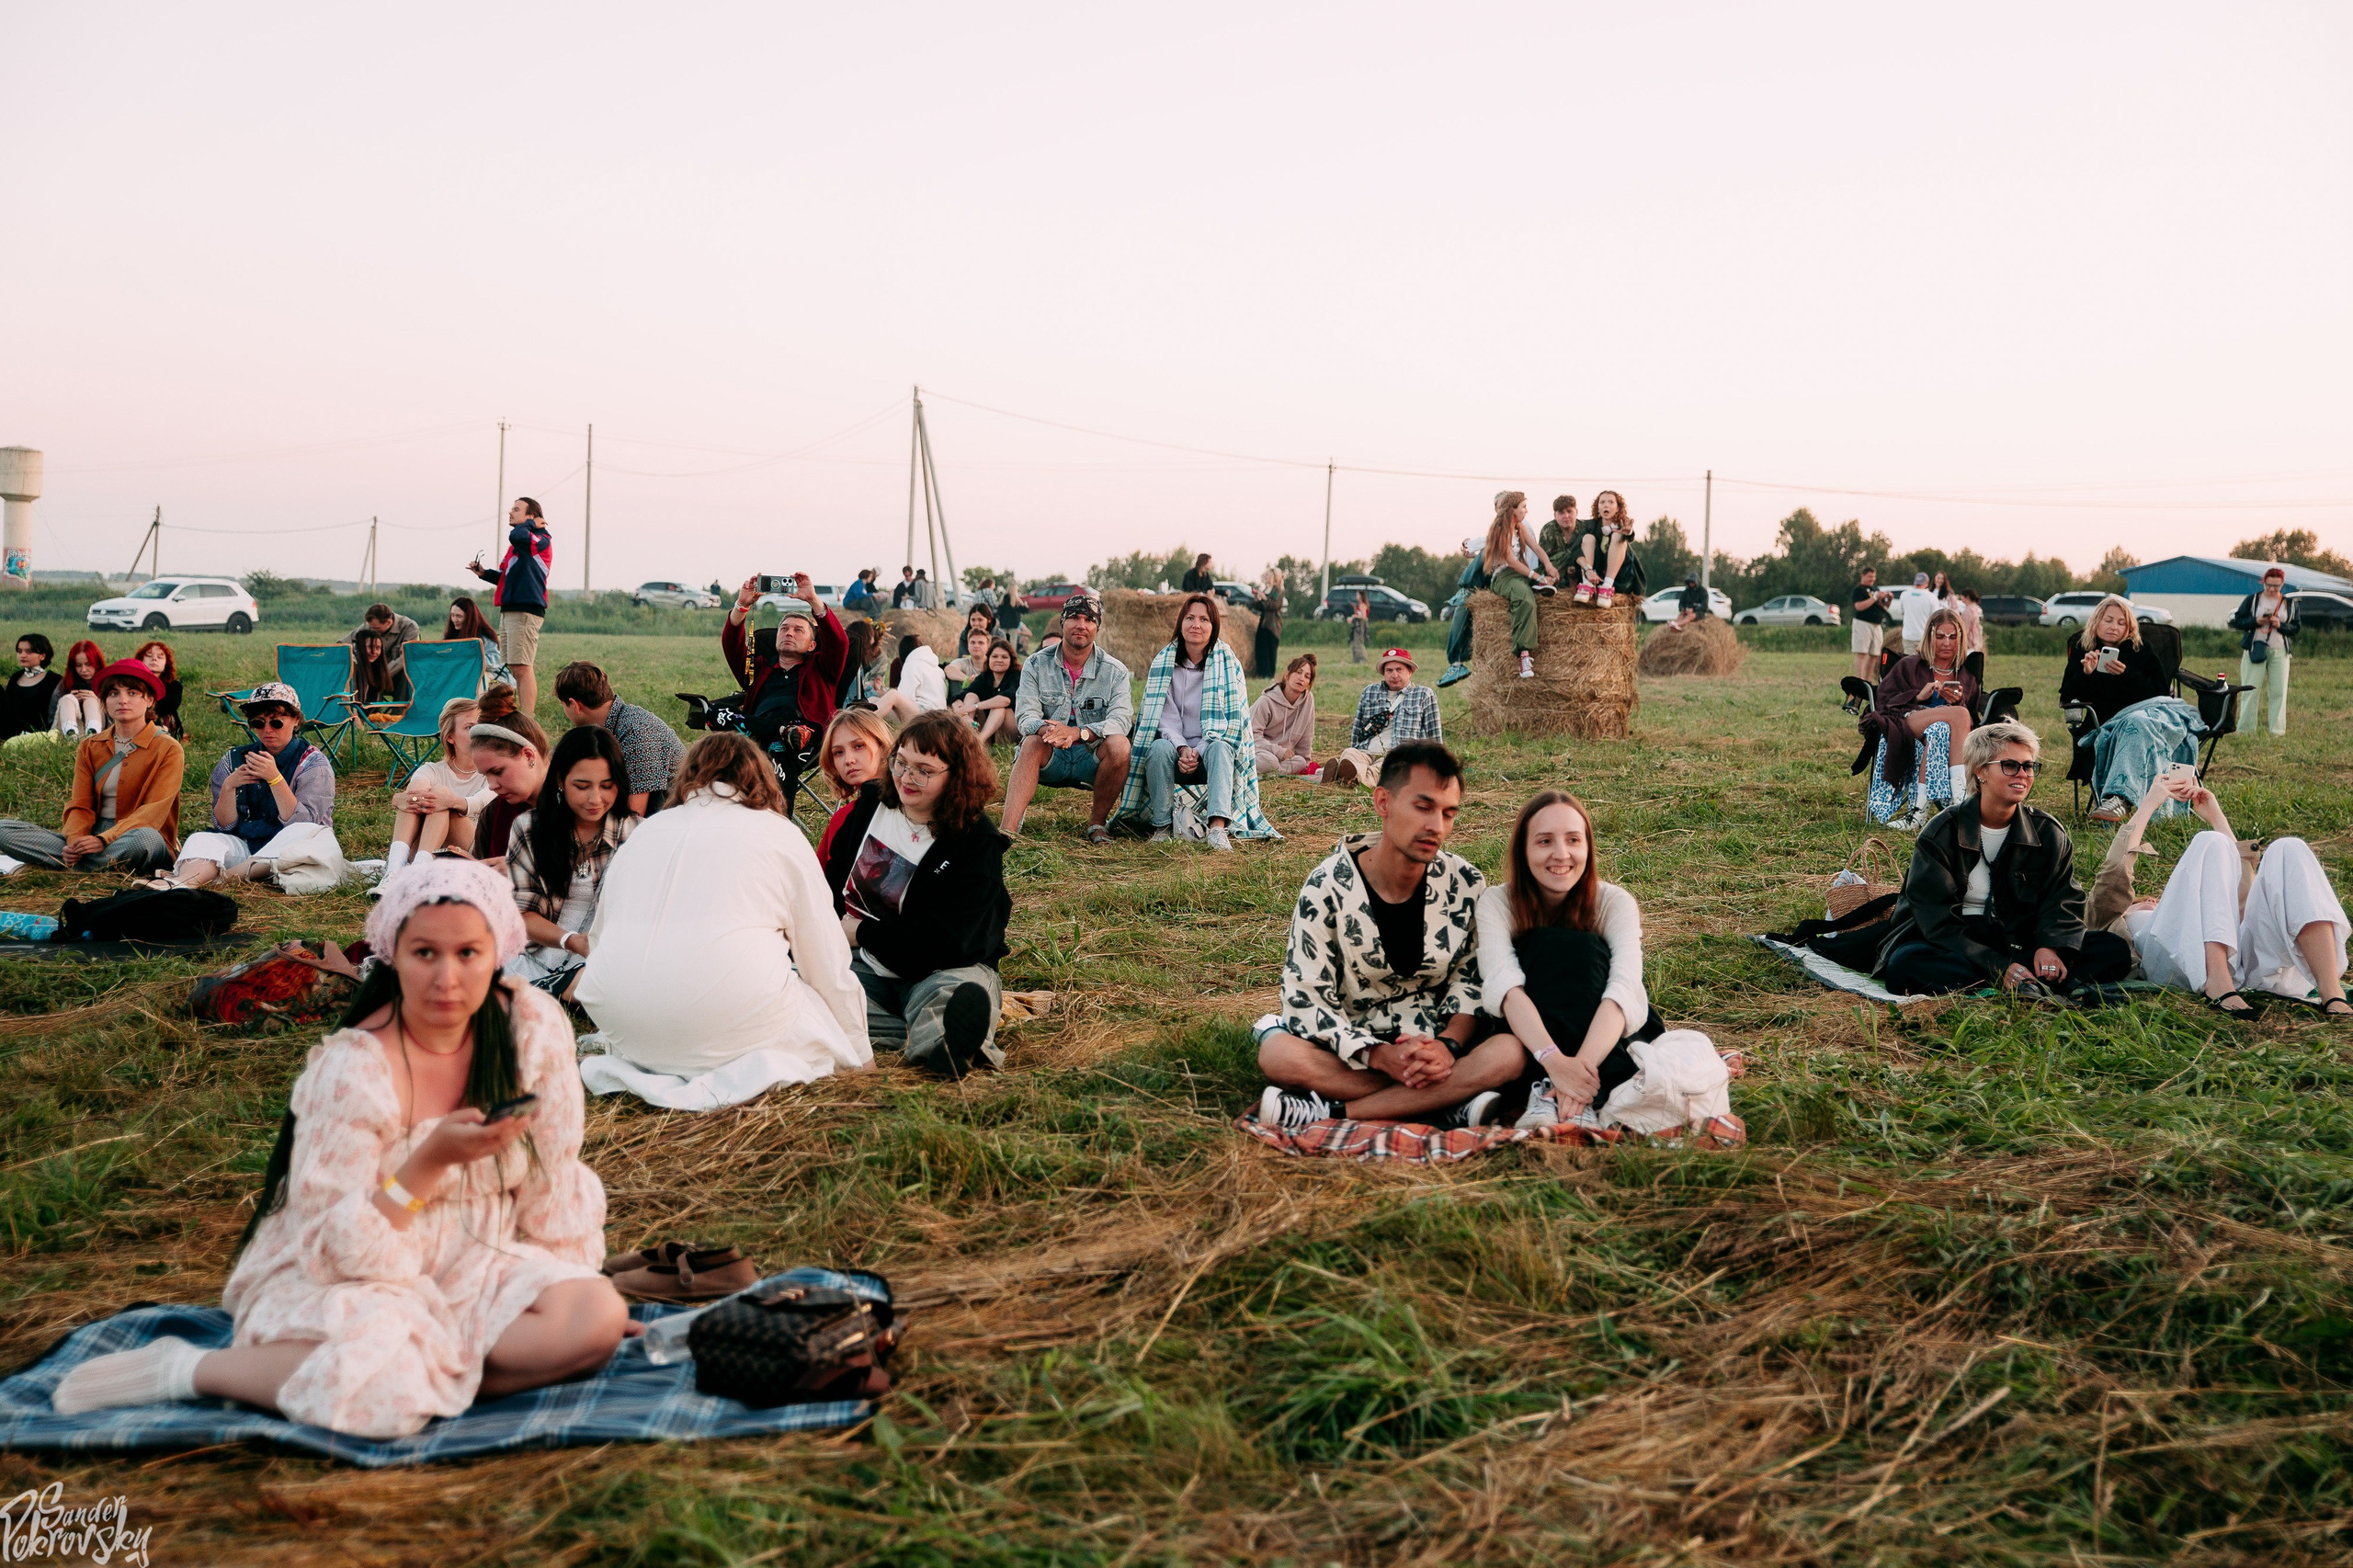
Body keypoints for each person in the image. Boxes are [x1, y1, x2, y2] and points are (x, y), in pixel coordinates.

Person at [51, 860, 625, 1437]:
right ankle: (194, 1370)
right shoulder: (354, 1068)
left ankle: (408, 1373)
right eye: (424, 953)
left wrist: (563, 1285)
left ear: (498, 951)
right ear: (391, 955)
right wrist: (428, 1165)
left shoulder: (532, 1026)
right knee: (390, 1391)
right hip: (350, 1272)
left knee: (596, 1317)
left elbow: (554, 1172)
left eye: (468, 954)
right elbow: (330, 1248)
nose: (446, 979)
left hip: (477, 1256)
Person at [575, 733, 871, 1106]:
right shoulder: (780, 833)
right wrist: (862, 1057)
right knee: (809, 1010)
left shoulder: (646, 830)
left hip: (624, 1022)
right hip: (721, 1018)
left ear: (689, 779)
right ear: (760, 779)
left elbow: (600, 938)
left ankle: (649, 1059)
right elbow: (825, 962)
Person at [1255, 742, 1520, 1130]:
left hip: (1439, 1044)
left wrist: (1447, 1047)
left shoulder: (1466, 883)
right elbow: (1305, 995)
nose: (1437, 827)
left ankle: (1334, 1112)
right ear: (1382, 802)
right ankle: (1446, 1103)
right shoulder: (1326, 886)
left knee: (1509, 1051)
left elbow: (1472, 979)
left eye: (1449, 814)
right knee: (1278, 1055)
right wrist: (1379, 1056)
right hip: (1355, 1047)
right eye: (1423, 807)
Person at [1876, 721, 2133, 999]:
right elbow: (1936, 920)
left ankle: (2024, 980)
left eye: (2029, 766)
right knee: (1906, 964)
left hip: (2022, 940)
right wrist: (1997, 965)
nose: (2023, 774)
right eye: (2010, 765)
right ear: (1981, 771)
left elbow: (2063, 901)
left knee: (2113, 950)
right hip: (1958, 941)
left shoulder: (2048, 832)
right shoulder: (1941, 833)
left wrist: (2052, 946)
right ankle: (2016, 981)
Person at [824, 711, 1012, 1076]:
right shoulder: (870, 806)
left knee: (955, 995)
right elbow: (832, 884)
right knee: (801, 984)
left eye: (924, 770)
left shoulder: (976, 844)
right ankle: (911, 1034)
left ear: (956, 776)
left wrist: (861, 932)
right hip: (862, 965)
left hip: (939, 968)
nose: (906, 777)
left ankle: (945, 1048)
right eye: (901, 763)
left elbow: (951, 941)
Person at [2089, 773, 2349, 1018]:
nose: (2152, 901)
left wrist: (2216, 816)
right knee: (2209, 842)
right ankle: (2218, 981)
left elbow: (2245, 892)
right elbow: (2115, 871)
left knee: (2290, 848)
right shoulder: (2114, 917)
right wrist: (2149, 803)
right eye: (2146, 902)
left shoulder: (2204, 899)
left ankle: (2330, 989)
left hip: (2247, 962)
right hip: (2184, 967)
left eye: (2154, 900)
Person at [1476, 790, 1661, 1130]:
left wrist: (1575, 1075)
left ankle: (1569, 1101)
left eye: (1573, 840)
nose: (1561, 854)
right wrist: (1553, 1061)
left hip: (1604, 1034)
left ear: (1588, 848)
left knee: (1584, 950)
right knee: (1549, 947)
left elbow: (1624, 988)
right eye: (1545, 841)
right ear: (1524, 850)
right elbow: (1504, 987)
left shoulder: (1615, 902)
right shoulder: (1496, 903)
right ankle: (1545, 1091)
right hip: (1531, 1037)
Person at [1111, 592, 1278, 849]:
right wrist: (1182, 748)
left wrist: (1198, 750)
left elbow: (1232, 721)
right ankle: (1162, 827)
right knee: (1157, 747)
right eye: (1190, 618)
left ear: (1213, 627)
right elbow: (1162, 719)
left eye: (1204, 619)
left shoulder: (1228, 664)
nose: (1196, 625)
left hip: (1210, 752)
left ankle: (1217, 829)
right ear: (1181, 623)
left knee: (1222, 748)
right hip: (1176, 752)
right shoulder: (1164, 662)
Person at [0, 659, 183, 873]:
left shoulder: (169, 748)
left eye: (132, 693)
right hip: (93, 836)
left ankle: (73, 864)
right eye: (113, 694)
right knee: (3, 829)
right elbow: (80, 804)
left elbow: (153, 812)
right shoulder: (90, 746)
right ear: (104, 700)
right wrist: (76, 841)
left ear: (150, 700)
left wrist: (104, 840)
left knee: (144, 840)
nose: (122, 700)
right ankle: (83, 860)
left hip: (137, 835)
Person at [506, 726, 638, 1001]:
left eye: (607, 786)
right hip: (536, 954)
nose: (595, 799)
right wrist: (571, 941)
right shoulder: (529, 828)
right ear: (560, 780)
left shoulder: (638, 833)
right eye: (582, 786)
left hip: (606, 960)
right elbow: (523, 915)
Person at [175, 682, 339, 888]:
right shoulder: (235, 759)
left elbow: (306, 826)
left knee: (304, 837)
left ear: (296, 720)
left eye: (276, 723)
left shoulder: (313, 763)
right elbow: (225, 826)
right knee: (202, 838)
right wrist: (228, 788)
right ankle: (181, 883)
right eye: (259, 723)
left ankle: (225, 879)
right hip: (247, 845)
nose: (267, 730)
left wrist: (275, 779)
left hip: (290, 847)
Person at [1000, 591, 1134, 843]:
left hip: (1090, 755)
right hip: (1051, 751)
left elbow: (1121, 720)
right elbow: (1026, 715)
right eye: (1074, 617)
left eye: (1089, 620)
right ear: (1062, 622)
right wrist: (1048, 732)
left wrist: (1077, 733)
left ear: (1097, 627)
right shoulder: (1036, 664)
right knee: (1030, 742)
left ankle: (1097, 825)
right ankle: (1007, 832)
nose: (1081, 625)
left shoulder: (1115, 671)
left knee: (1120, 745)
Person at [2060, 594, 2192, 824]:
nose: (2114, 627)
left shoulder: (2141, 650)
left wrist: (2126, 675)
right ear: (2096, 622)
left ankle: (2119, 799)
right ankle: (2125, 799)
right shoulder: (2083, 650)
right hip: (2106, 723)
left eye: (2122, 623)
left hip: (2148, 715)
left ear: (2129, 628)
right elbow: (2069, 696)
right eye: (2108, 620)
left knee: (2139, 722)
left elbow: (2160, 692)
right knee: (2135, 725)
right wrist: (2087, 674)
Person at [1856, 605, 1980, 831]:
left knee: (1941, 730)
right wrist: (1918, 696)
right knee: (1957, 716)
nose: (1946, 642)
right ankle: (1962, 803)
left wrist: (1956, 701)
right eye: (1940, 636)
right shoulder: (1909, 665)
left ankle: (1918, 814)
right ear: (1929, 636)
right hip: (1907, 721)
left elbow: (1972, 720)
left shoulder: (1965, 675)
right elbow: (1884, 700)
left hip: (1944, 737)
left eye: (1953, 637)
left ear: (1960, 639)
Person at [722, 571, 848, 750]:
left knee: (780, 749)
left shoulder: (822, 668)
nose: (789, 633)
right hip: (758, 728)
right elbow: (731, 645)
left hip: (803, 733)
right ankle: (780, 731)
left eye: (798, 630)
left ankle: (782, 738)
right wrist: (741, 605)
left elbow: (838, 642)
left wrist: (813, 599)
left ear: (812, 645)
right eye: (784, 628)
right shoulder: (759, 668)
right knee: (718, 712)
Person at [553, 660, 685, 816]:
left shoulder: (637, 732)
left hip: (676, 813)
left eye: (563, 706)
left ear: (575, 705)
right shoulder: (616, 723)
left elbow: (634, 814)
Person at [465, 498, 553, 718]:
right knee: (515, 665)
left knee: (523, 667)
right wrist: (485, 574)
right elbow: (507, 578)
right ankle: (521, 715)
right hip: (511, 609)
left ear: (531, 516)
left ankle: (528, 718)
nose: (510, 513)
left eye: (516, 509)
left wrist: (532, 524)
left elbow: (516, 534)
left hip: (525, 611)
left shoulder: (538, 539)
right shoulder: (520, 544)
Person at [385, 698, 488, 871]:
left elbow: (480, 802)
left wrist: (450, 802)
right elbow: (413, 796)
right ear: (450, 738)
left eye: (481, 726)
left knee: (439, 796)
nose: (478, 732)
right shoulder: (432, 770)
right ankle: (394, 870)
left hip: (470, 849)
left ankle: (416, 868)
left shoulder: (491, 772)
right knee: (416, 799)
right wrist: (399, 799)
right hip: (425, 846)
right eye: (469, 727)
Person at [1324, 648, 1441, 789]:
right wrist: (1354, 747)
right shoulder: (1369, 692)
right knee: (1349, 753)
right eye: (1389, 670)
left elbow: (1434, 734)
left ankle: (1347, 777)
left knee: (1391, 766)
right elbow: (1358, 727)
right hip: (1366, 751)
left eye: (1399, 669)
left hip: (1398, 753)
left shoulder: (1424, 694)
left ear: (1410, 671)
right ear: (1384, 673)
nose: (1394, 675)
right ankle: (1349, 774)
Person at [1481, 491, 1558, 680]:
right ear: (1512, 509)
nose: (1527, 510)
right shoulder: (1501, 530)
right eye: (1523, 507)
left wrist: (1548, 566)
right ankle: (1524, 654)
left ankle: (1538, 584)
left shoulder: (1519, 527)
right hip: (1505, 576)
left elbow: (1537, 548)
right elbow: (1511, 561)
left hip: (1523, 573)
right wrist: (1537, 577)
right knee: (1526, 601)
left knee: (1562, 558)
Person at [468, 706, 552, 871]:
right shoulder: (493, 813)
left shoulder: (577, 805)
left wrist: (521, 869)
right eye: (485, 775)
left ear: (528, 755)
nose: (492, 786)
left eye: (498, 771)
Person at [815, 707, 892, 862]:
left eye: (858, 746)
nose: (848, 759)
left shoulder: (910, 807)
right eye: (838, 752)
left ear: (883, 748)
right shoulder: (841, 818)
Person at [2230, 564, 2297, 737]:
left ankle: (2277, 731)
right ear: (2263, 583)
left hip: (2280, 651)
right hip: (2255, 649)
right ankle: (2245, 730)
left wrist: (2280, 625)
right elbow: (2237, 622)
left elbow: (2296, 628)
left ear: (2282, 585)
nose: (2272, 589)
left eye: (2276, 586)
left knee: (2278, 692)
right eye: (2268, 585)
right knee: (2250, 691)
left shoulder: (2289, 603)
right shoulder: (2252, 600)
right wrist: (2256, 621)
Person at [1569, 491, 1644, 608]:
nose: (1606, 505)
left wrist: (1627, 532)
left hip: (1620, 580)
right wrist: (1588, 570)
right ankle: (1587, 585)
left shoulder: (1622, 526)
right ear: (1597, 508)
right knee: (1588, 538)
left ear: (1618, 508)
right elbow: (1575, 550)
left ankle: (1607, 587)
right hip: (1595, 576)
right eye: (1602, 502)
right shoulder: (1590, 526)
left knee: (1617, 536)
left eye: (1611, 502)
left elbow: (1629, 536)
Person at [1251, 653, 1318, 777]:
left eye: (1307, 676)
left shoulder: (1308, 701)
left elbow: (1306, 736)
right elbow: (1252, 737)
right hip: (1258, 750)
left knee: (1300, 762)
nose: (1301, 678)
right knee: (1270, 761)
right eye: (1298, 672)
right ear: (1287, 675)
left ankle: (1269, 774)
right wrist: (1279, 751)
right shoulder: (1266, 701)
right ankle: (1246, 769)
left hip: (1282, 759)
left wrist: (1307, 765)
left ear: (1308, 684)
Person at [950, 637, 1019, 744]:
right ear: (989, 659)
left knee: (999, 707)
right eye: (995, 656)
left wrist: (975, 706)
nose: (999, 660)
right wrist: (965, 715)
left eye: (1004, 657)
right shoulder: (984, 677)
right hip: (987, 728)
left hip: (1009, 731)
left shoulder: (1017, 677)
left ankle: (978, 742)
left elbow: (1006, 700)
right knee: (970, 696)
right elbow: (959, 697)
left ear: (1011, 660)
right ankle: (969, 732)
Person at [870, 634, 948, 725]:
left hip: (924, 716)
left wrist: (883, 694)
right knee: (872, 701)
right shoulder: (936, 668)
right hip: (940, 717)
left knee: (892, 695)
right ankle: (865, 718)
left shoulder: (912, 664)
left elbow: (904, 696)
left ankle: (866, 723)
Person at [0, 633, 61, 743]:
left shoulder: (54, 680)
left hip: (36, 732)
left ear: (42, 656)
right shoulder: (15, 677)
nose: (22, 655)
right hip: (11, 727)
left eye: (29, 652)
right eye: (19, 651)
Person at [444, 596, 514, 690]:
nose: (454, 620)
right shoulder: (450, 635)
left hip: (491, 675)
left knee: (477, 678)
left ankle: (476, 705)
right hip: (461, 674)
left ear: (469, 617)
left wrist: (469, 659)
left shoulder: (484, 635)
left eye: (459, 616)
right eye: (452, 615)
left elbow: (494, 662)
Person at [351, 603, 423, 682]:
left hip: (396, 672)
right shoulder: (369, 626)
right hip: (371, 672)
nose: (372, 631)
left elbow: (407, 656)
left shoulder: (409, 627)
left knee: (408, 671)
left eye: (376, 628)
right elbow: (344, 644)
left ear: (388, 622)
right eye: (371, 628)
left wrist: (383, 675)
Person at [1848, 566, 1893, 695]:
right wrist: (1874, 598)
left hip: (1877, 624)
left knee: (1874, 653)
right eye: (1869, 577)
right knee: (1861, 652)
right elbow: (1859, 606)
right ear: (1863, 576)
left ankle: (1867, 680)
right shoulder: (1858, 590)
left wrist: (1887, 598)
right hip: (1863, 623)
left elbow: (1884, 607)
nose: (1872, 579)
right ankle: (1860, 679)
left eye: (1874, 577)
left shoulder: (1875, 589)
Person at [131, 640, 185, 740]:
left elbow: (168, 705)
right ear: (140, 660)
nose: (154, 659)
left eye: (160, 657)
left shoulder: (174, 686)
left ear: (166, 665)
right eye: (148, 656)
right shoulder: (131, 684)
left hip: (163, 726)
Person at [53, 639, 106, 737]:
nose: (83, 670)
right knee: (67, 699)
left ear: (97, 663)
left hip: (102, 728)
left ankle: (93, 735)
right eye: (78, 665)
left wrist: (97, 699)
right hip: (64, 729)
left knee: (91, 700)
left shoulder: (107, 682)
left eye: (88, 664)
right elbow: (52, 715)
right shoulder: (64, 684)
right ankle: (70, 736)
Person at [1893, 571, 1938, 660]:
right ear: (1926, 582)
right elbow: (1935, 617)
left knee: (1909, 662)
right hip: (1924, 636)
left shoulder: (1905, 594)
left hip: (1908, 635)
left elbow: (1902, 612)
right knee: (1924, 663)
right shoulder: (1931, 597)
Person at [352, 628, 401, 706]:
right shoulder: (353, 666)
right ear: (360, 647)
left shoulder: (377, 668)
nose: (374, 652)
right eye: (370, 647)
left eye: (378, 648)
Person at [942, 624, 994, 699]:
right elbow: (948, 669)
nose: (976, 646)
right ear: (968, 645)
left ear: (988, 646)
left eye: (981, 643)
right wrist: (968, 679)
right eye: (972, 642)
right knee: (954, 679)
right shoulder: (963, 662)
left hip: (986, 700)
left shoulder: (993, 663)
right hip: (963, 700)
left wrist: (978, 680)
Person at [1254, 567, 1285, 678]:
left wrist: (1265, 598)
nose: (1265, 577)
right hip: (1263, 622)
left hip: (1272, 624)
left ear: (1273, 577)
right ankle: (1261, 673)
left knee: (1270, 649)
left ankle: (1269, 674)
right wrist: (1257, 599)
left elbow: (1274, 606)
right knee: (1260, 647)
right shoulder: (1267, 589)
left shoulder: (1278, 590)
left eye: (1267, 575)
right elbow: (1261, 608)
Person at [1956, 588, 1986, 684]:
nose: (1961, 599)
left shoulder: (1968, 610)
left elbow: (1965, 628)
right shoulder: (1975, 608)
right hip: (1976, 641)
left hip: (1969, 643)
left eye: (1962, 596)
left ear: (1967, 597)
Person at [1348, 590, 1370, 664]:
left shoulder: (1363, 605)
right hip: (1357, 625)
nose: (1356, 596)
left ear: (1361, 596)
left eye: (1357, 594)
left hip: (1360, 625)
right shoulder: (1359, 605)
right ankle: (1356, 659)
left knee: (1359, 642)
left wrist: (1354, 616)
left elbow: (1363, 616)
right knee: (1354, 641)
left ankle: (1362, 659)